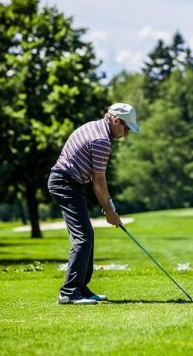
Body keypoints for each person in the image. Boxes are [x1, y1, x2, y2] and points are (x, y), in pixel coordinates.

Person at [48, 103, 139, 305]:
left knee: (85, 235)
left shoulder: (95, 127)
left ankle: (80, 287)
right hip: (65, 183)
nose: (126, 134)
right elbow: (99, 180)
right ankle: (69, 292)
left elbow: (95, 178)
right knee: (83, 237)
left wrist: (109, 208)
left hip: (67, 182)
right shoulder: (101, 140)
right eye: (126, 128)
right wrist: (109, 212)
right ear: (116, 120)